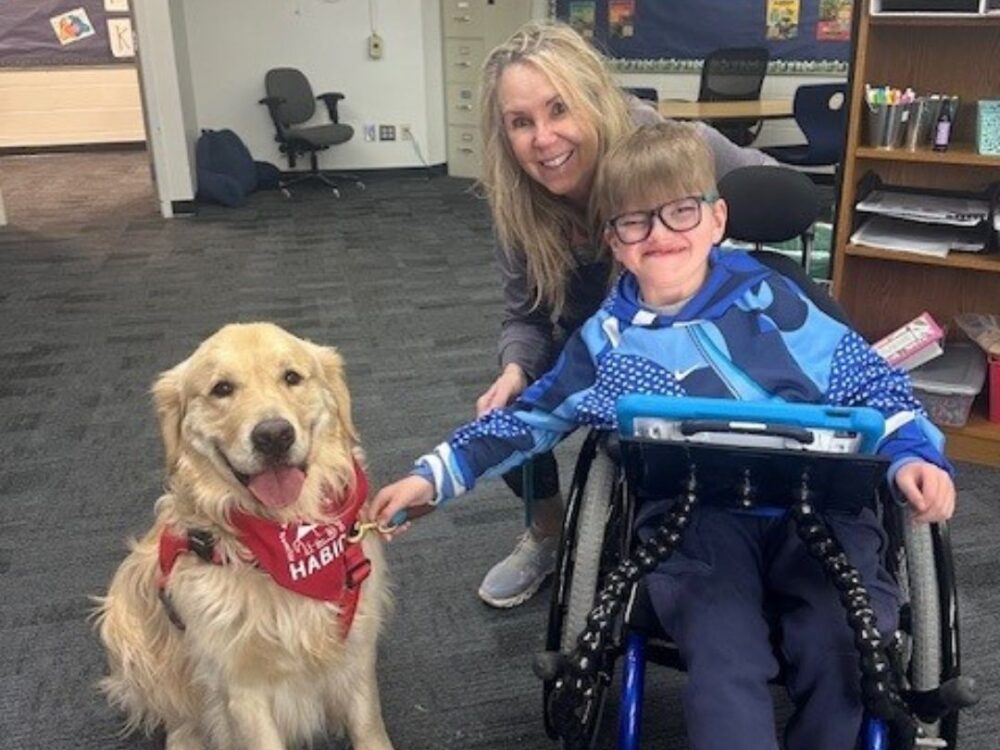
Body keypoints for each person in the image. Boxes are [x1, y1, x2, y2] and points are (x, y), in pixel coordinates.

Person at [367, 122, 956, 750]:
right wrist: (431, 475)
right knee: (724, 657)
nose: (660, 235)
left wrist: (912, 456)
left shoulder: (775, 301)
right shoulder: (605, 344)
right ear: (613, 242)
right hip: (694, 520)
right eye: (635, 222)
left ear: (715, 219)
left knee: (839, 645)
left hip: (822, 510)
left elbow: (874, 386)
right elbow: (526, 421)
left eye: (680, 212)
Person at [472, 20, 777, 608]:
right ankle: (545, 534)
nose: (544, 138)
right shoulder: (516, 199)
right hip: (589, 328)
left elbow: (770, 189)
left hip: (680, 316)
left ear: (593, 96)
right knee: (510, 408)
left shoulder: (658, 142)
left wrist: (715, 250)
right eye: (521, 122)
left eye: (558, 109)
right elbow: (526, 318)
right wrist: (515, 369)